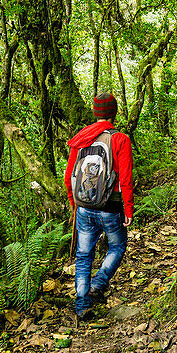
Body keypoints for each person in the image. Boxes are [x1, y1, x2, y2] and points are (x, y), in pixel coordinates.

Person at [64, 93, 134, 320]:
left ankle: (82, 305)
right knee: (117, 247)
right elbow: (125, 179)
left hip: (84, 206)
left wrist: (74, 203)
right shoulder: (120, 139)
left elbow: (68, 176)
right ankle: (98, 284)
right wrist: (129, 209)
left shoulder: (81, 139)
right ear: (114, 112)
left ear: (95, 112)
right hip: (111, 208)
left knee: (84, 256)